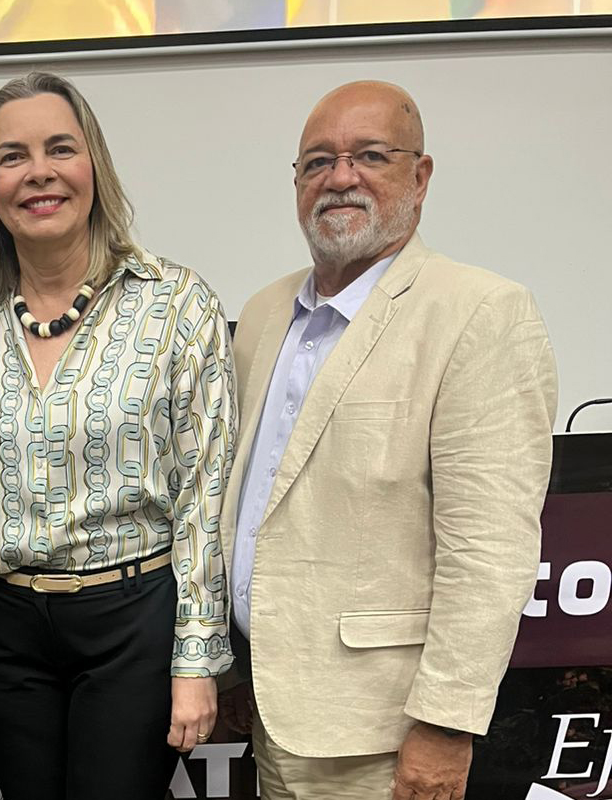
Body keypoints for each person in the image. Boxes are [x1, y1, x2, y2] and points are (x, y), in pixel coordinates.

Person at [218, 80, 557, 799]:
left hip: (389, 736)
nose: (340, 178)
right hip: (273, 719)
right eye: (317, 162)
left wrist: (444, 726)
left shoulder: (482, 314)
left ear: (421, 176)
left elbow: (490, 550)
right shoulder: (264, 313)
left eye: (370, 155)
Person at [0, 71, 236, 800]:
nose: (38, 172)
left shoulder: (176, 304)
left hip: (130, 624)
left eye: (59, 149)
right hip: (1, 631)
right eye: (12, 156)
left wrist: (196, 657)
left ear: (94, 167)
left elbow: (207, 490)